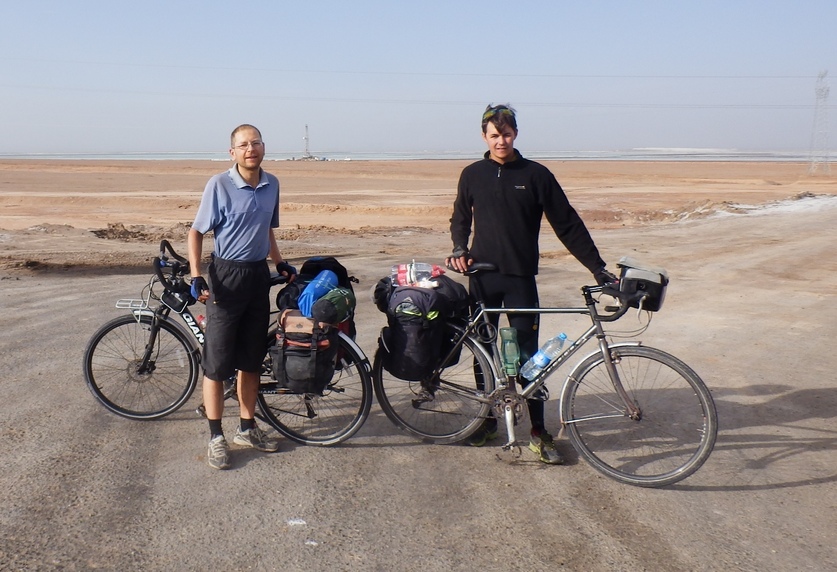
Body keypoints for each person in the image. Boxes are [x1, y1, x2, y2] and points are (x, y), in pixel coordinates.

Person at [447, 104, 617, 465]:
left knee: (531, 358)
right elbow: (460, 218)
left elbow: (567, 224)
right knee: (485, 353)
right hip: (482, 277)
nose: (501, 140)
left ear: (516, 134)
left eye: (506, 133)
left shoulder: (536, 175)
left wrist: (597, 268)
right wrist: (459, 248)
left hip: (520, 279)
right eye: (494, 135)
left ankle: (539, 432)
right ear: (484, 137)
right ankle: (487, 421)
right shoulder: (472, 174)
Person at [188, 124, 297, 470]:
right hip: (226, 277)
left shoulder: (272, 184)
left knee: (250, 360)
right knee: (218, 364)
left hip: (256, 277)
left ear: (264, 147)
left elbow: (266, 228)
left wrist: (278, 262)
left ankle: (247, 428)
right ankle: (216, 436)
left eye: (256, 143)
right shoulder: (219, 184)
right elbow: (196, 232)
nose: (251, 148)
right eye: (243, 144)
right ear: (232, 152)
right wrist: (195, 275)